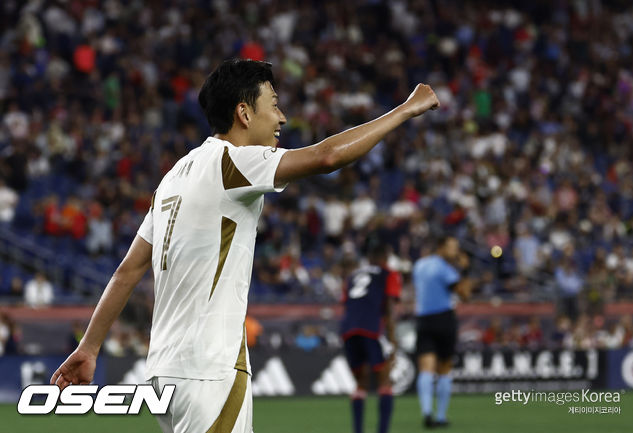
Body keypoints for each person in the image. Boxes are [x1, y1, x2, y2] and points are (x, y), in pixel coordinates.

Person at [50, 59, 439, 433]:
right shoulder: (232, 162)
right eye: (274, 104)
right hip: (210, 368)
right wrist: (405, 110)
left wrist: (90, 346)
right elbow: (328, 156)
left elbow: (128, 270)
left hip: (164, 372)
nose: (282, 117)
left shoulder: (172, 178)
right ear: (244, 114)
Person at [340, 238, 401, 433]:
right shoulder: (388, 274)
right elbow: (389, 307)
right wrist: (393, 340)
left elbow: (347, 304)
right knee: (385, 381)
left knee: (360, 384)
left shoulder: (352, 276)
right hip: (372, 328)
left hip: (349, 330)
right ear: (386, 257)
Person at [412, 236, 472, 429]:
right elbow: (465, 295)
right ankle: (440, 416)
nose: (455, 252)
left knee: (426, 367)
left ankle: (426, 412)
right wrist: (465, 270)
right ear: (441, 247)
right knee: (444, 368)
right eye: (452, 247)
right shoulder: (446, 269)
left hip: (423, 319)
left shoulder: (419, 265)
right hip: (444, 319)